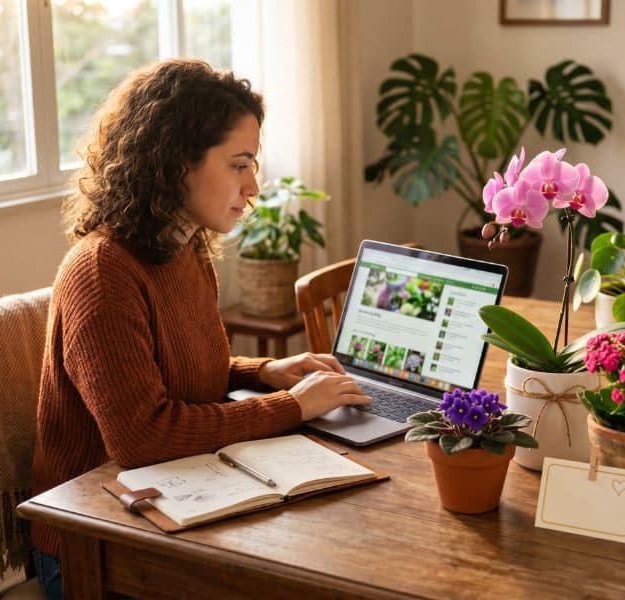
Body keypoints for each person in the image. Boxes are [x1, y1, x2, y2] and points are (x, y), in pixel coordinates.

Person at [29, 58, 370, 599]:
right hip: (91, 541)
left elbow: (180, 375)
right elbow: (142, 436)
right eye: (239, 164)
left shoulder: (184, 246)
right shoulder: (103, 272)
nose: (253, 185)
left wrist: (268, 372)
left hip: (175, 497)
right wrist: (293, 406)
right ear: (175, 162)